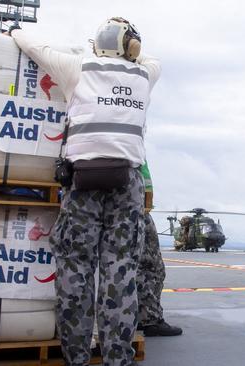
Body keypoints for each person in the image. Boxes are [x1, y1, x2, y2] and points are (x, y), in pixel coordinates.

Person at [11, 17, 161, 365]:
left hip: (83, 184)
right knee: (121, 272)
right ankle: (117, 359)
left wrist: (15, 31)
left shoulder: (77, 66)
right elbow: (149, 58)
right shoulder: (145, 74)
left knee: (75, 270)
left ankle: (76, 358)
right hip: (128, 184)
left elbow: (37, 48)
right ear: (133, 47)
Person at [136, 163, 182, 337]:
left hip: (132, 205)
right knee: (151, 268)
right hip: (136, 206)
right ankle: (149, 319)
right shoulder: (130, 141)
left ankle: (138, 316)